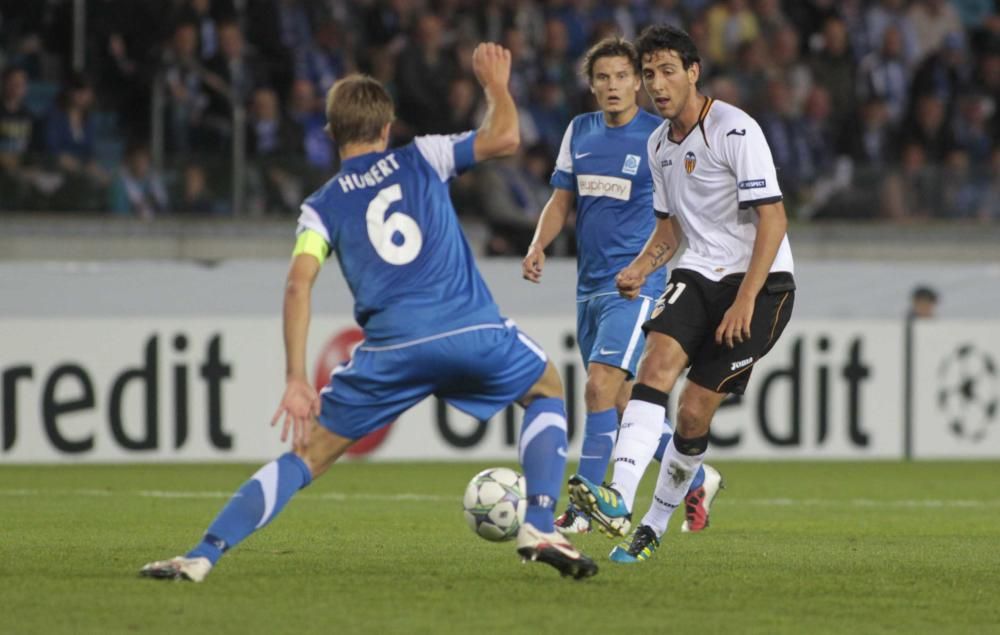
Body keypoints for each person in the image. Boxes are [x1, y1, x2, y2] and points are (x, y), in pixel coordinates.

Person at [139, 43, 598, 583]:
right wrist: (495, 85)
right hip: (470, 329)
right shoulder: (422, 156)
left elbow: (297, 285)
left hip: (391, 350)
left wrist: (295, 378)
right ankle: (540, 521)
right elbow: (505, 137)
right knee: (545, 387)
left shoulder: (321, 206)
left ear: (332, 134)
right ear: (387, 128)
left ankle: (202, 554)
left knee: (306, 456)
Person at [568, 25, 795, 564]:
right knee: (654, 365)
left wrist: (745, 298)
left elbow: (774, 218)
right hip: (697, 273)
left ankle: (653, 523)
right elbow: (669, 231)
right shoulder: (657, 145)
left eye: (668, 70)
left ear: (693, 72)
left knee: (693, 413)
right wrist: (640, 266)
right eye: (649, 74)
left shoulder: (734, 130)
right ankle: (618, 499)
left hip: (760, 285)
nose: (657, 84)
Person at [521, 37, 722, 537]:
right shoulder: (579, 131)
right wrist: (538, 244)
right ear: (592, 86)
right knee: (622, 404)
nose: (613, 86)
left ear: (638, 81)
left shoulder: (661, 137)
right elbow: (561, 201)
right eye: (602, 78)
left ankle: (588, 506)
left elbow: (678, 216)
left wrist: (651, 266)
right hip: (589, 286)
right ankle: (696, 478)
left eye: (622, 77)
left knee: (598, 387)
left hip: (637, 287)